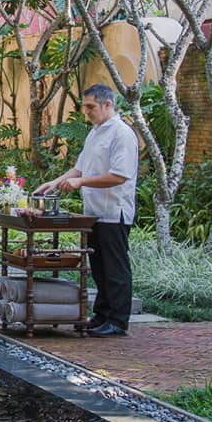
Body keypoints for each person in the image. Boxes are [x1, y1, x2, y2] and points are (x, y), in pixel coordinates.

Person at [35, 83, 140, 338]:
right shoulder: (94, 133)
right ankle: (101, 315)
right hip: (93, 212)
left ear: (108, 104)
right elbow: (80, 168)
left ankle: (118, 320)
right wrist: (54, 182)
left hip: (114, 211)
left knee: (115, 268)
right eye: (86, 107)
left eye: (91, 107)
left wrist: (80, 182)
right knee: (99, 268)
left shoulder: (122, 134)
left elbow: (119, 176)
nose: (87, 112)